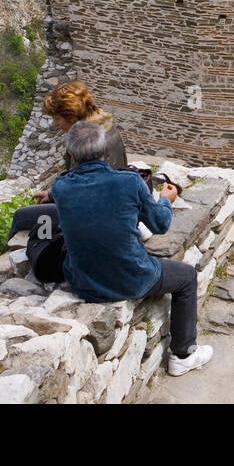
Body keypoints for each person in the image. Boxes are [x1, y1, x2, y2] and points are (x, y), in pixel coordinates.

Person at [51, 121, 213, 376]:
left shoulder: (60, 187)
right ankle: (183, 354)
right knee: (187, 277)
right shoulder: (128, 182)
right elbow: (160, 224)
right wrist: (165, 201)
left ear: (71, 155)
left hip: (83, 283)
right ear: (105, 151)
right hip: (131, 279)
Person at [8, 81, 129, 240]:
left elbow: (81, 189)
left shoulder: (85, 142)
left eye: (57, 118)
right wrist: (52, 195)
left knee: (20, 217)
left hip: (93, 214)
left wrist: (57, 195)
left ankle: (32, 259)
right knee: (43, 210)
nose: (55, 123)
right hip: (113, 204)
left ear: (70, 116)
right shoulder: (105, 127)